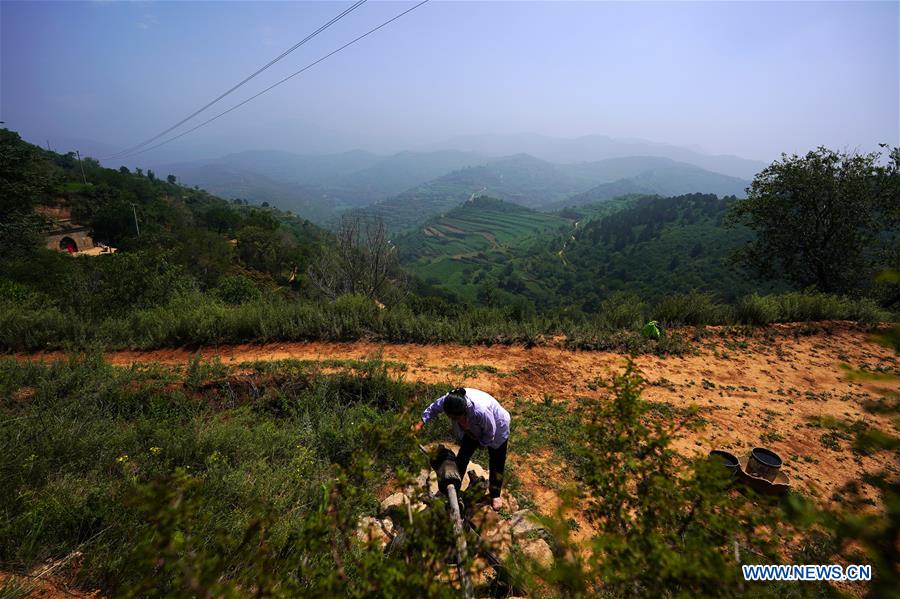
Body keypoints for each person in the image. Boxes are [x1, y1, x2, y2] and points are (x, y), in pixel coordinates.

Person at [414, 387, 510, 510]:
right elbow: (434, 408)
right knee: (463, 456)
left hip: (497, 427)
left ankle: (495, 495)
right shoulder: (450, 401)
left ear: (464, 412)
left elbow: (490, 433)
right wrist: (420, 423)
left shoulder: (480, 411)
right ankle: (454, 485)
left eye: (455, 418)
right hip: (471, 428)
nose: (453, 421)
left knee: (497, 461)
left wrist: (480, 442)